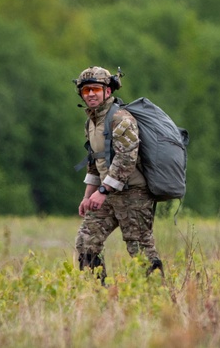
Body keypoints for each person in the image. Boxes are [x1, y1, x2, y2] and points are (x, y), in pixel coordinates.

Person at [73, 66, 162, 282]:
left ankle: (156, 296)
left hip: (134, 194)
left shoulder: (121, 119)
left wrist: (103, 191)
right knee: (86, 243)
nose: (91, 94)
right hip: (108, 193)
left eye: (95, 89)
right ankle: (97, 294)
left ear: (108, 91)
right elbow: (95, 163)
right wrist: (88, 196)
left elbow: (126, 160)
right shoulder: (92, 122)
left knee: (139, 248)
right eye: (86, 91)